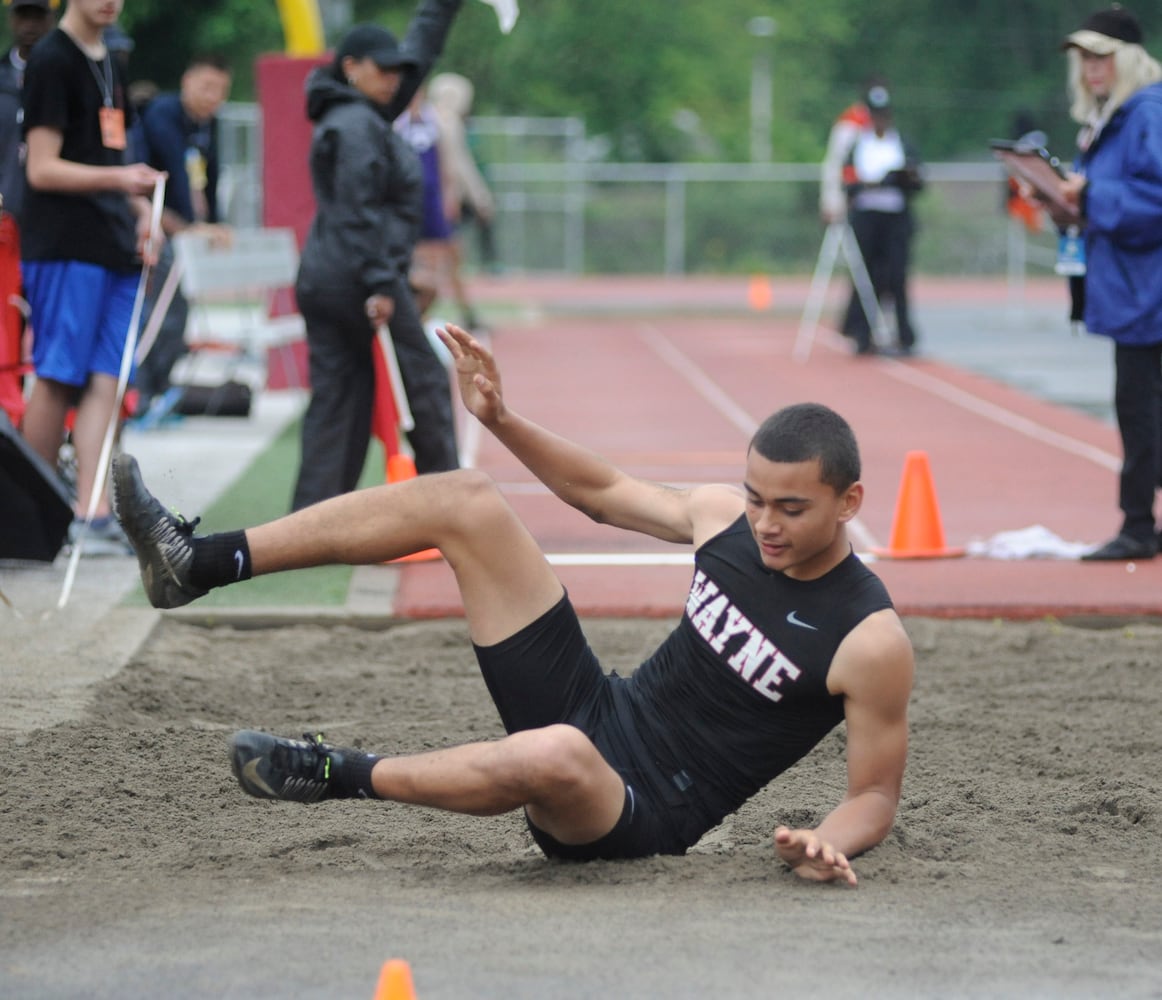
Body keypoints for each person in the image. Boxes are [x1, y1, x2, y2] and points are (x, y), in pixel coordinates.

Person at [111, 323, 914, 883]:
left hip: (638, 811)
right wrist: (500, 418)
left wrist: (825, 842)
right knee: (467, 497)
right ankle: (197, 562)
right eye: (756, 499)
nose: (765, 524)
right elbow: (600, 492)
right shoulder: (725, 519)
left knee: (554, 755)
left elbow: (873, 796)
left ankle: (330, 771)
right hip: (599, 705)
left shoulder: (868, 638)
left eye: (792, 509)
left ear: (850, 503)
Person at [291, 2, 465, 513]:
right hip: (356, 278)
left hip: (331, 275)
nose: (395, 78)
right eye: (383, 69)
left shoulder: (359, 111)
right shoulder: (357, 125)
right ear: (352, 68)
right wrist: (382, 286)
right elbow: (356, 210)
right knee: (426, 384)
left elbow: (415, 56)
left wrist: (441, 8)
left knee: (340, 401)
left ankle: (314, 521)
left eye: (396, 70)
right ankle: (453, 510)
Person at [18, 0, 162, 553]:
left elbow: (112, 150)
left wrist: (143, 211)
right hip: (64, 245)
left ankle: (91, 514)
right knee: (59, 374)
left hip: (113, 244)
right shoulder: (53, 59)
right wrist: (122, 179)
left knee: (108, 375)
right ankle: (31, 514)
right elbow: (41, 167)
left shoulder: (113, 58)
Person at [1041, 7, 1162, 562]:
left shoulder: (1147, 112)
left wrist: (1087, 196)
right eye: (1084, 57)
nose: (1090, 68)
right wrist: (1066, 206)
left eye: (1100, 55)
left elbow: (1154, 202)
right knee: (1138, 411)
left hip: (1150, 291)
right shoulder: (1111, 117)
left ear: (1128, 59)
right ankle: (1139, 522)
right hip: (1132, 290)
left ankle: (1139, 525)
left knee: (1141, 412)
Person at [132, 53, 233, 424]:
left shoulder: (208, 124)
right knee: (155, 315)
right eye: (207, 87)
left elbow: (212, 174)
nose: (213, 96)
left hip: (182, 230)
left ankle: (160, 393)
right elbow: (172, 170)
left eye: (221, 90)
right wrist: (191, 228)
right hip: (148, 221)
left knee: (178, 313)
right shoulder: (162, 114)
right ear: (187, 82)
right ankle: (140, 397)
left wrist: (216, 224)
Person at [836, 84, 924, 357]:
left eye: (883, 115)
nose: (879, 121)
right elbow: (846, 181)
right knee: (866, 276)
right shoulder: (858, 145)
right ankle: (863, 334)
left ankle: (904, 337)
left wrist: (897, 179)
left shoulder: (902, 144)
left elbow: (917, 182)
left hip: (895, 219)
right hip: (867, 219)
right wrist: (866, 185)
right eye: (875, 115)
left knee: (897, 276)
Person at [0, 0, 56, 427]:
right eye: (23, 14)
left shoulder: (65, 75)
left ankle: (48, 437)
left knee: (47, 336)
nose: (30, 25)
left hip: (53, 230)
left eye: (38, 15)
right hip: (5, 231)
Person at [428, 71, 496, 325]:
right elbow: (460, 166)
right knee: (445, 261)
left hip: (427, 202)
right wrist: (481, 199)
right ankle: (460, 314)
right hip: (445, 204)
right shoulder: (447, 122)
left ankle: (464, 313)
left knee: (444, 260)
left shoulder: (425, 118)